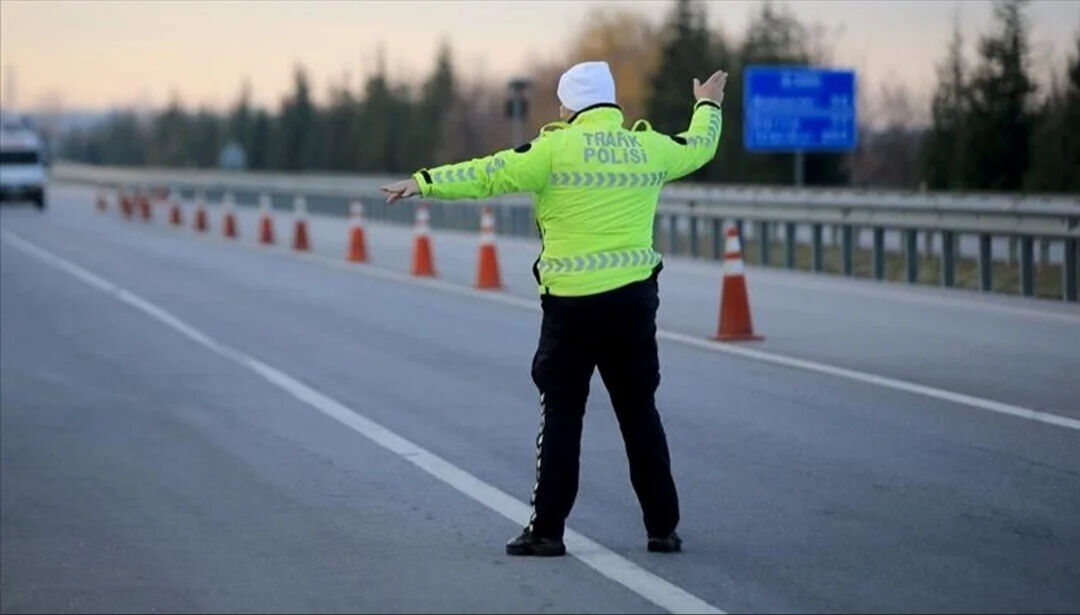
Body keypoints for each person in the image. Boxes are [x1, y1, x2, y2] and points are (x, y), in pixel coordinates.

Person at [381, 61, 727, 556]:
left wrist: (425, 182)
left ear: (571, 105)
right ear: (609, 102)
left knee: (563, 415)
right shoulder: (647, 147)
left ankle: (547, 532)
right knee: (638, 413)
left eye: (563, 102)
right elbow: (700, 147)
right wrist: (707, 106)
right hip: (633, 303)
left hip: (572, 308)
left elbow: (488, 173)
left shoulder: (552, 149)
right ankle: (662, 528)